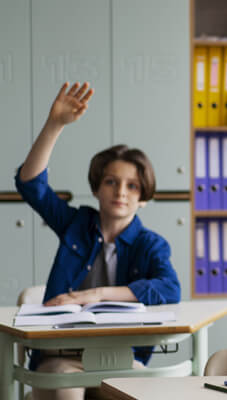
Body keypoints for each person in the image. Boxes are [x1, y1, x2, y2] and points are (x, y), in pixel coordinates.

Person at [15, 82, 181, 399]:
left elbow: (170, 288)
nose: (121, 192)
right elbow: (31, 186)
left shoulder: (151, 244)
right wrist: (55, 125)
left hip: (120, 357)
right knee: (62, 388)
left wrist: (92, 295)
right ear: (96, 188)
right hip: (61, 357)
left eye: (133, 186)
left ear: (144, 197)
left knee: (146, 391)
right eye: (111, 182)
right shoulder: (76, 224)